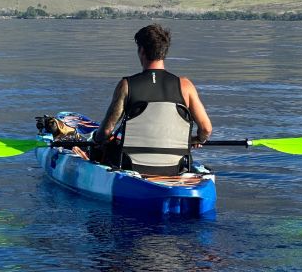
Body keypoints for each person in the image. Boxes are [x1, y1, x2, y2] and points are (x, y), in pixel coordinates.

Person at [91, 23, 212, 175]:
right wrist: (195, 140)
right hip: (174, 167)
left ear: (141, 50)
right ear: (164, 52)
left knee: (98, 148)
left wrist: (96, 140)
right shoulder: (185, 86)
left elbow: (106, 131)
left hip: (132, 166)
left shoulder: (126, 85)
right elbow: (206, 129)